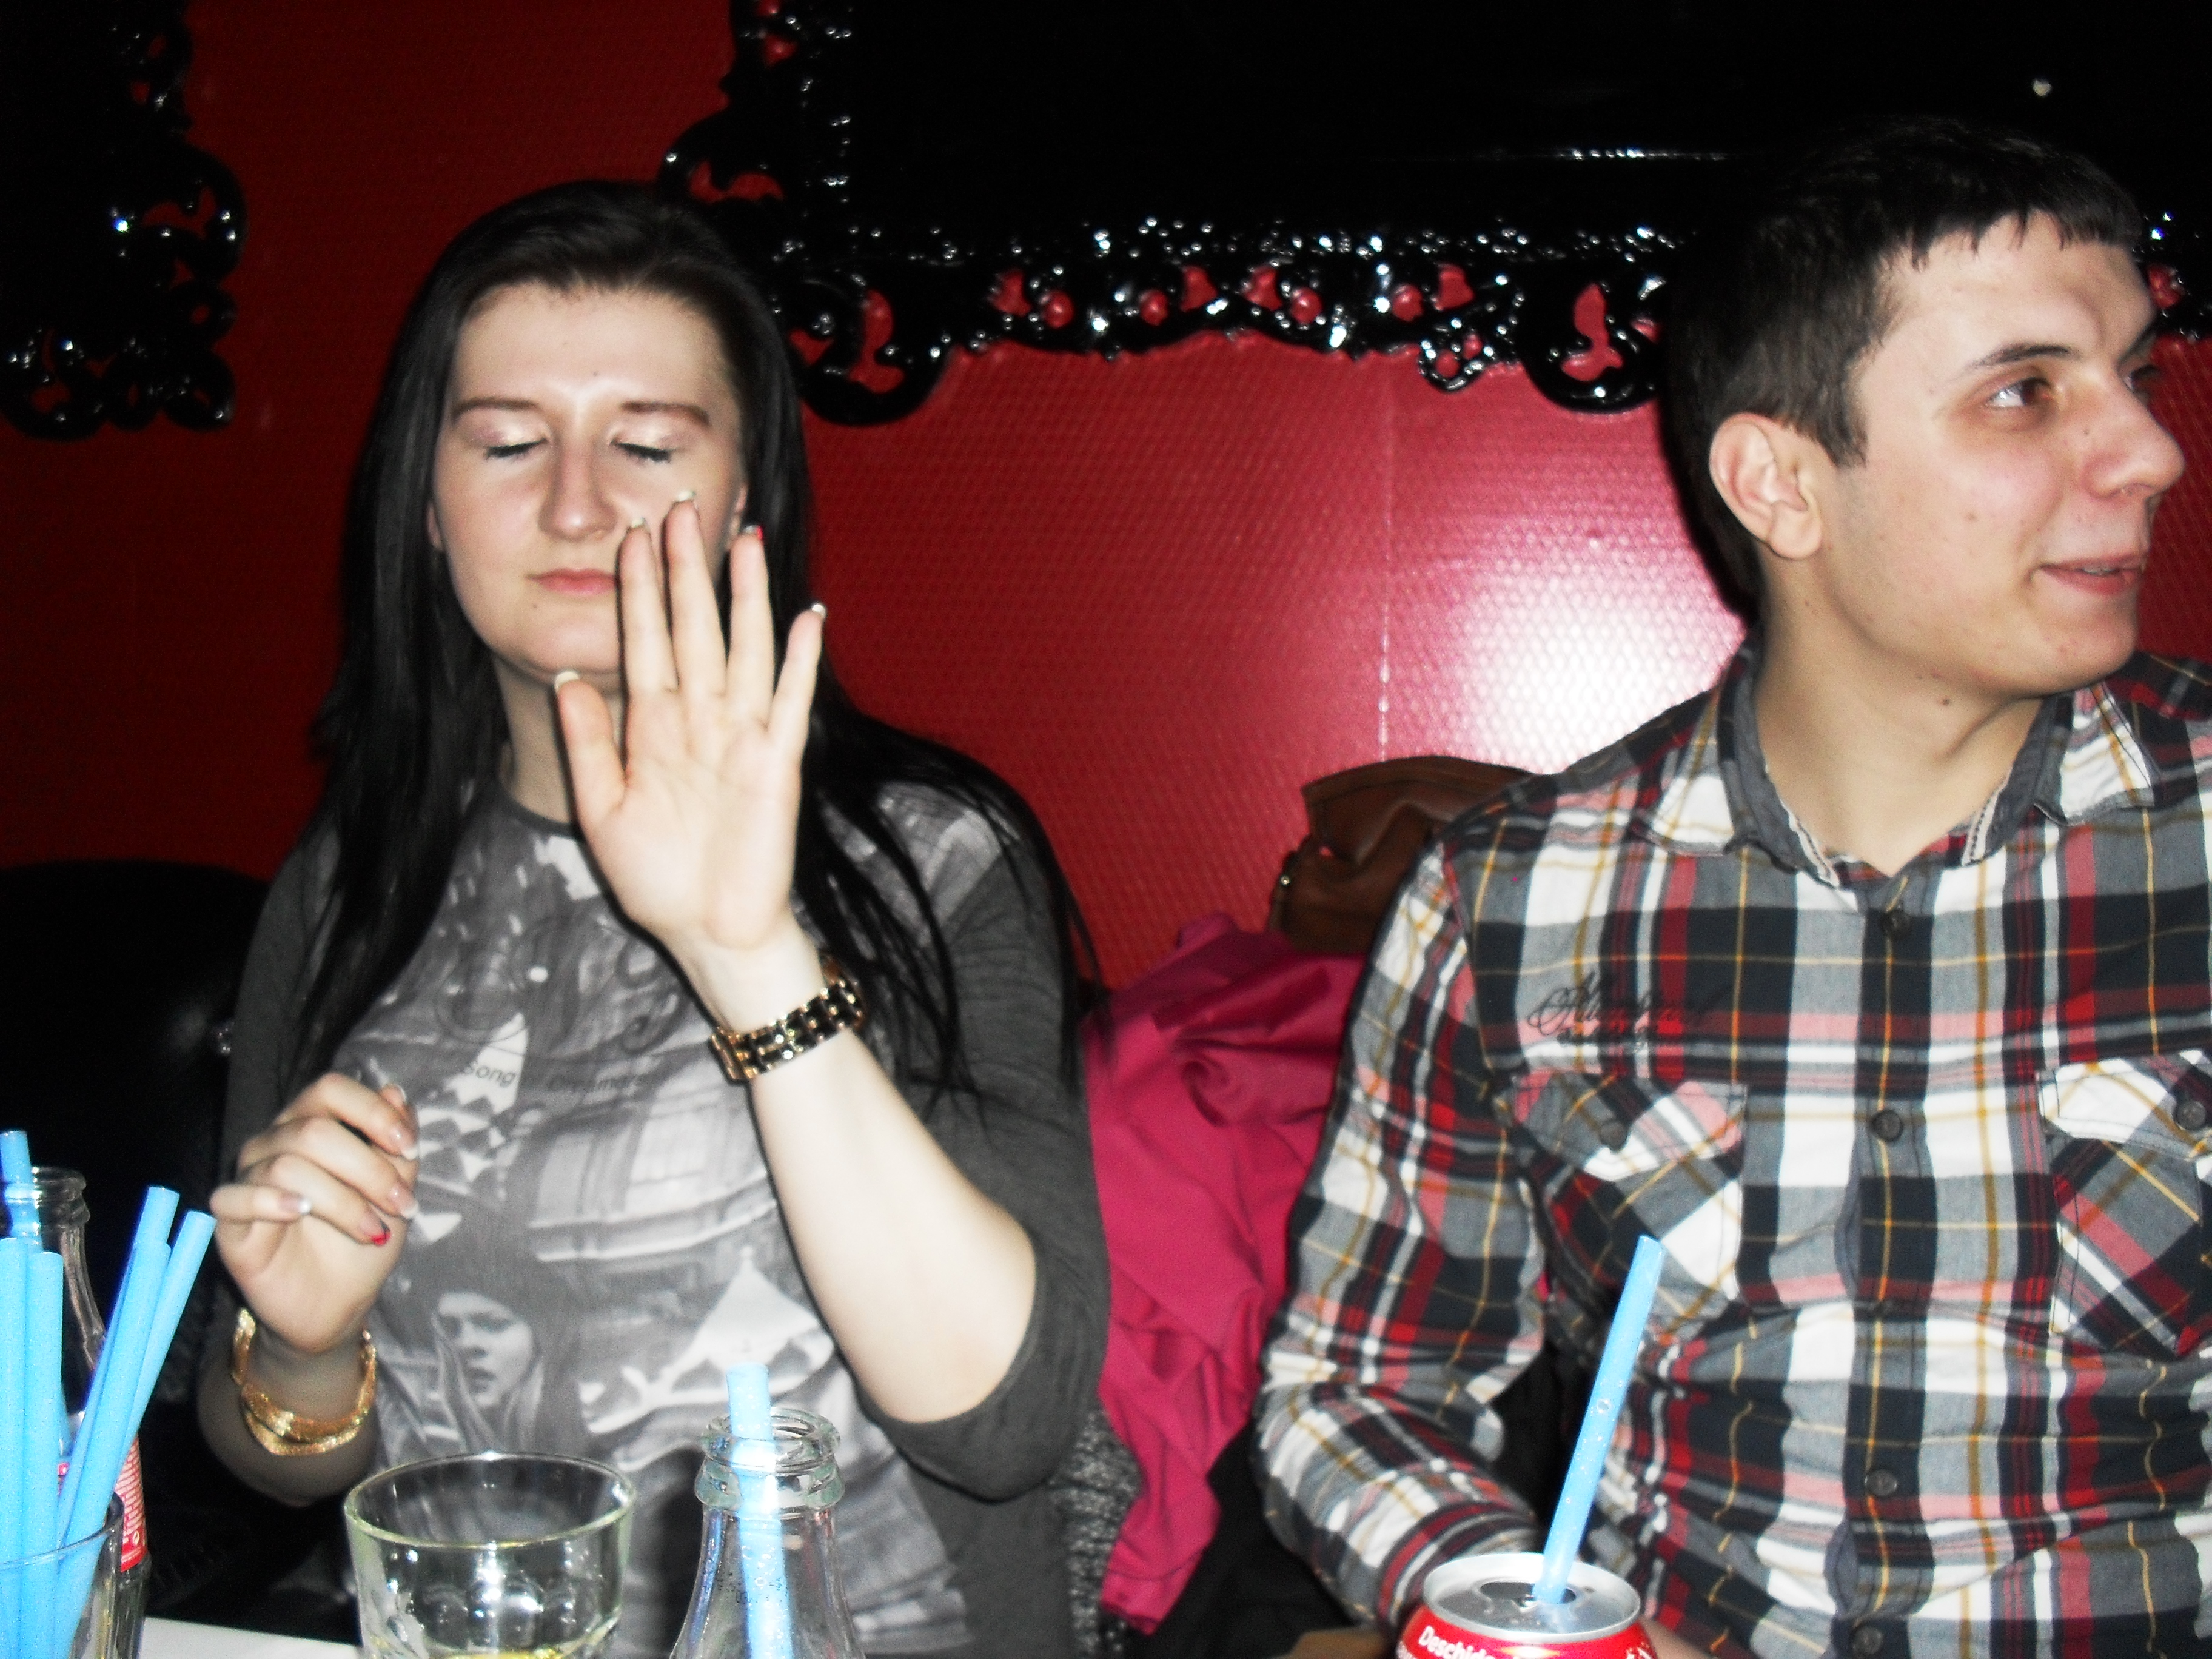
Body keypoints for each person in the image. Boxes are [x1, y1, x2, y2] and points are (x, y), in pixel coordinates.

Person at [1256, 116, 2206, 1658]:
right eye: (2027, 392)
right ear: (1782, 484)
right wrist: (1543, 1623)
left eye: (2135, 376)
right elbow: (1358, 1390)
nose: (2151, 452)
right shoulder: (1513, 904)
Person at [197, 181, 1109, 1658]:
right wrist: (308, 1347)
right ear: (427, 506)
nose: (575, 505)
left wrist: (746, 952)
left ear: (743, 500)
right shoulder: (349, 880)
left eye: (647, 445)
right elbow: (277, 1451)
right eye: (507, 443)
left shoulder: (932, 856)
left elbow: (1006, 1423)